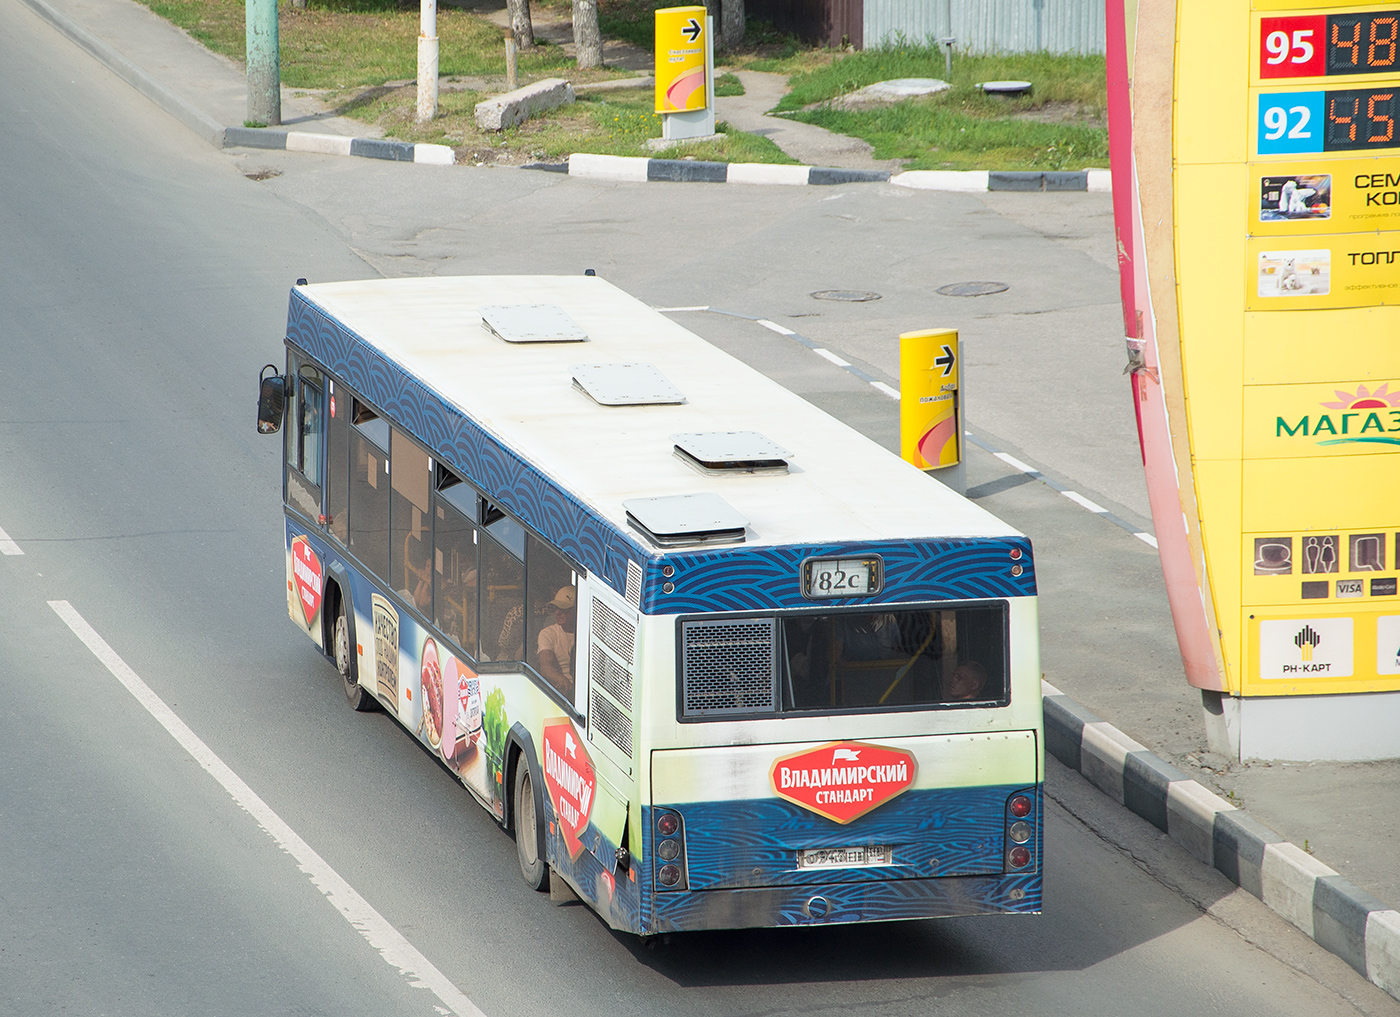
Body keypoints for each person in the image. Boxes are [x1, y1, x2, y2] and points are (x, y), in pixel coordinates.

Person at [536, 586, 577, 695]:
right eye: (555, 608)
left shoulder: (588, 635)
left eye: (563, 609)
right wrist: (561, 680)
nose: (557, 613)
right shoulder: (548, 634)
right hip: (561, 694)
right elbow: (546, 667)